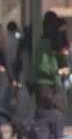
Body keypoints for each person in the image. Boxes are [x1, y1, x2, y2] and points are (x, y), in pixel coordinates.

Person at [30, 11, 70, 139]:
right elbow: (42, 65)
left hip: (55, 84)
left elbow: (63, 62)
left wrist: (64, 56)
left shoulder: (56, 42)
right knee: (51, 112)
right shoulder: (45, 42)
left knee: (57, 112)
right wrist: (57, 71)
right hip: (46, 84)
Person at [0, 23, 18, 133]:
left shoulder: (2, 45)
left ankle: (13, 120)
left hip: (3, 76)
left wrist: (12, 79)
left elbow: (7, 62)